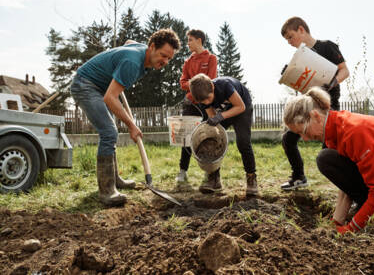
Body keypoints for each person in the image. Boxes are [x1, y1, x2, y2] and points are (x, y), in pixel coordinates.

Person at [283, 86, 374, 234]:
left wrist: (350, 230)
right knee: (327, 159)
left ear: (316, 116)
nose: (304, 138)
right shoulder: (336, 131)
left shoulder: (355, 132)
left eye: (303, 131)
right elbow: (347, 183)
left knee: (326, 159)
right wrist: (337, 222)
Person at [70, 29, 181, 206]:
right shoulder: (131, 63)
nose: (165, 62)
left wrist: (116, 60)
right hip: (85, 85)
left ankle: (114, 180)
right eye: (162, 55)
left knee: (110, 132)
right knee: (109, 132)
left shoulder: (140, 50)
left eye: (169, 58)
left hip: (98, 86)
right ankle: (107, 191)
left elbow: (129, 42)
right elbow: (110, 98)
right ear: (151, 47)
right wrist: (131, 125)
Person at [280, 16, 350, 190]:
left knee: (331, 151)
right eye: (286, 39)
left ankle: (350, 189)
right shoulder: (299, 58)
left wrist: (331, 83)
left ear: (301, 30)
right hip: (309, 107)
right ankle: (299, 177)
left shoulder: (327, 46)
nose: (289, 42)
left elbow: (345, 71)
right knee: (288, 138)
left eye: (290, 36)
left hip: (329, 106)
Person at [189, 73, 258, 196]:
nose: (206, 102)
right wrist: (215, 129)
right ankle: (214, 179)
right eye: (203, 101)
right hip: (223, 111)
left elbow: (240, 106)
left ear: (212, 87)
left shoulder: (224, 86)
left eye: (208, 98)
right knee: (211, 138)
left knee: (243, 143)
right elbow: (211, 114)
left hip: (242, 108)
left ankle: (251, 178)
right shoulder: (202, 98)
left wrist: (220, 116)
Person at [175, 29, 217, 184]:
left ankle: (209, 172)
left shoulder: (211, 59)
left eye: (190, 40)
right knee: (186, 137)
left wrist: (192, 84)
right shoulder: (188, 62)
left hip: (206, 104)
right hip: (190, 104)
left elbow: (211, 80)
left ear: (199, 40)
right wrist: (196, 84)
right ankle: (182, 171)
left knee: (207, 136)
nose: (188, 44)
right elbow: (182, 82)